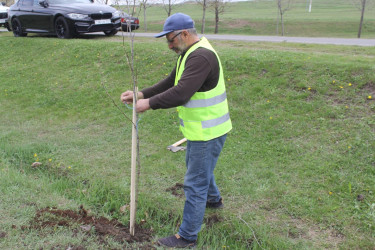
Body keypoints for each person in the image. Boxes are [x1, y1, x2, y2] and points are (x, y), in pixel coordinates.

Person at [120, 13, 232, 248]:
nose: (169, 45)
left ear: (184, 33)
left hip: (208, 132)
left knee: (194, 182)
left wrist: (148, 104)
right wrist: (141, 94)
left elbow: (181, 93)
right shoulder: (190, 53)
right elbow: (172, 81)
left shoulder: (201, 57)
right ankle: (214, 200)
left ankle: (187, 237)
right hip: (202, 129)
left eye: (171, 40)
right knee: (200, 167)